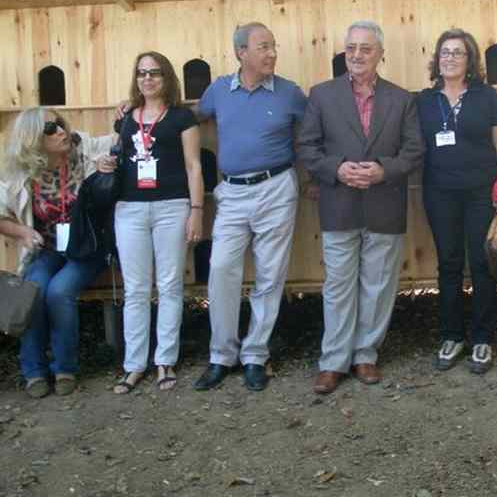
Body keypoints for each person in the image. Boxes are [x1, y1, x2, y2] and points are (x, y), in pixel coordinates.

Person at [298, 20, 425, 394]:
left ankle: (365, 355)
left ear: (380, 54)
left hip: (385, 203)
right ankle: (333, 361)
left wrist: (383, 171)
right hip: (339, 204)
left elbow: (415, 151)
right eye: (351, 48)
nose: (356, 55)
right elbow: (307, 147)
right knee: (338, 285)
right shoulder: (321, 95)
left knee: (379, 284)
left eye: (365, 48)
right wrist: (336, 168)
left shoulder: (402, 100)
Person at [193, 22, 307, 392]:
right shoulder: (218, 92)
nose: (272, 53)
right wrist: (135, 104)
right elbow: (185, 118)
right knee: (222, 268)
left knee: (270, 276)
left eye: (273, 46)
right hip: (232, 193)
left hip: (276, 188)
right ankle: (221, 356)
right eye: (263, 47)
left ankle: (256, 355)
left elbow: (316, 133)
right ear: (241, 52)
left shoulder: (290, 93)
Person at [0, 107, 117, 398]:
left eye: (59, 124)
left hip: (85, 249)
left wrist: (128, 107)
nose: (60, 131)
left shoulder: (82, 148)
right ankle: (33, 371)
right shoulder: (20, 173)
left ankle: (64, 368)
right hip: (45, 250)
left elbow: (119, 138)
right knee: (34, 289)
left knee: (59, 292)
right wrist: (23, 232)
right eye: (50, 129)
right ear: (32, 139)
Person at [417, 29, 497, 374]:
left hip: (481, 193)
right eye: (445, 53)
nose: (450, 58)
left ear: (470, 60)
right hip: (439, 193)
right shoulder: (425, 101)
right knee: (450, 263)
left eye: (458, 53)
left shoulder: (486, 97)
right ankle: (452, 335)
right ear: (437, 60)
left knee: (483, 262)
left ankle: (483, 338)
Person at [113, 52, 203, 394]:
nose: (147, 79)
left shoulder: (182, 117)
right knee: (135, 289)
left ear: (167, 78)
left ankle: (165, 360)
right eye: (141, 73)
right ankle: (133, 366)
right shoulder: (123, 117)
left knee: (169, 285)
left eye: (154, 73)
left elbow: (194, 166)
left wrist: (196, 210)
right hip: (130, 209)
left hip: (171, 207)